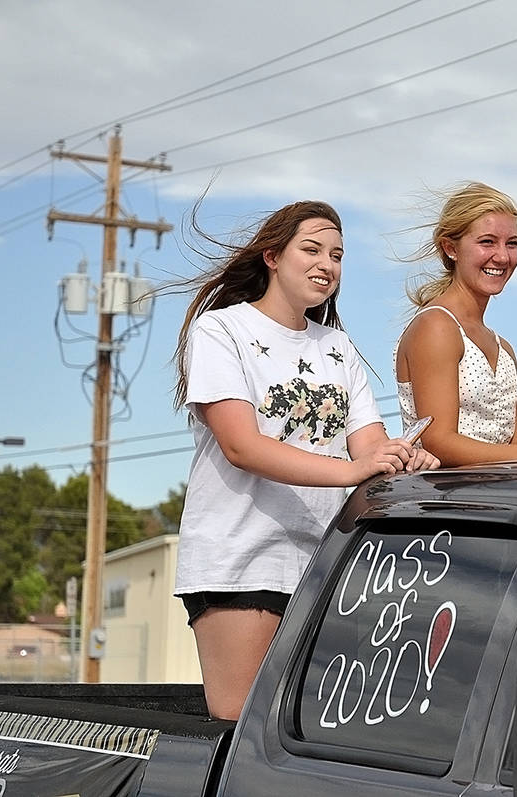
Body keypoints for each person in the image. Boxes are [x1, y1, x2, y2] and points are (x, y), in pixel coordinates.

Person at [171, 200, 439, 719]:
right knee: (242, 725)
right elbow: (240, 445)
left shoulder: (337, 345)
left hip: (327, 563)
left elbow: (368, 446)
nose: (327, 264)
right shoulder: (221, 330)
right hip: (240, 561)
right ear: (272, 256)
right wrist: (351, 471)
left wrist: (400, 458)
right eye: (311, 249)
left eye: (337, 255)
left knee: (308, 729)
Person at [395, 182, 517, 465]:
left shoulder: (503, 348)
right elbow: (438, 441)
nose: (503, 256)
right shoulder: (436, 326)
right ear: (450, 248)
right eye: (487, 242)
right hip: (442, 499)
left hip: (497, 501)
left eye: (512, 243)